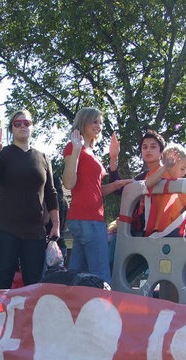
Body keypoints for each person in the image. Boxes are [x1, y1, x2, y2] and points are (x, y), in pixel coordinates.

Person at [0, 109, 60, 289]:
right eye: (18, 123)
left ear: (32, 127)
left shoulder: (43, 158)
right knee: (3, 278)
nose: (22, 126)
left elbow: (51, 192)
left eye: (27, 123)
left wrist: (56, 223)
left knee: (34, 282)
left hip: (35, 231)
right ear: (12, 129)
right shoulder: (3, 153)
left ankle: (29, 318)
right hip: (5, 228)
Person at [63, 107, 132, 283]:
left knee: (77, 276)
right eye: (94, 121)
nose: (99, 126)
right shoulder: (73, 147)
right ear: (83, 122)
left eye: (100, 123)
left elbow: (94, 190)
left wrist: (116, 184)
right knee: (101, 276)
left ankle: (71, 308)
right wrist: (76, 150)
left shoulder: (90, 152)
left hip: (88, 220)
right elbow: (69, 183)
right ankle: (105, 309)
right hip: (88, 220)